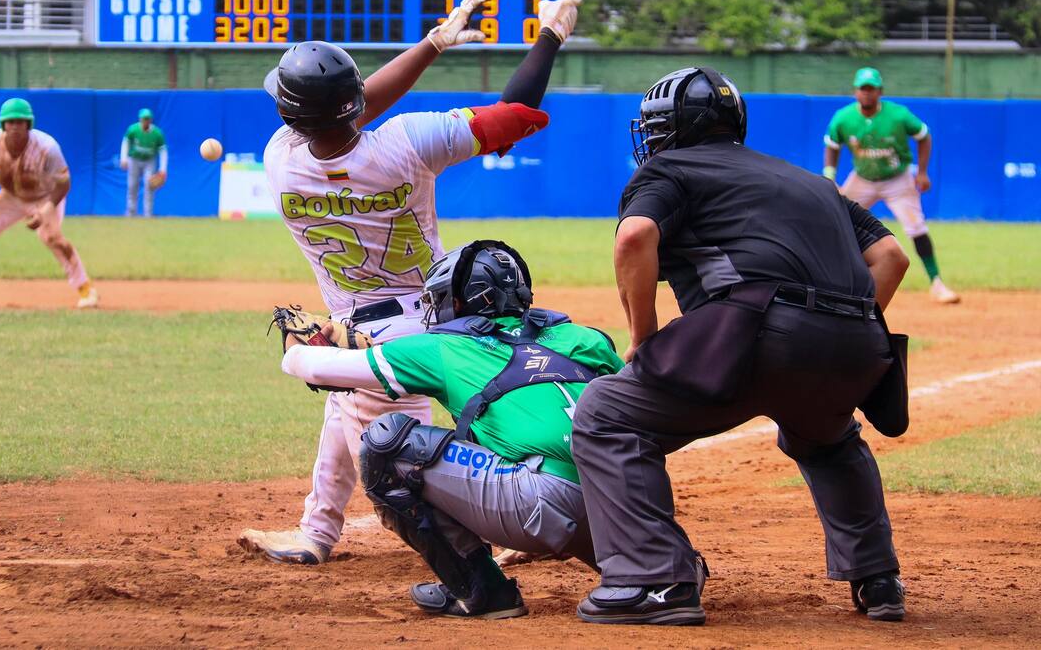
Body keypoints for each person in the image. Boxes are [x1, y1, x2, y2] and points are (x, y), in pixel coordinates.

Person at [238, 0, 583, 566]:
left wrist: (431, 44)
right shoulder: (408, 143)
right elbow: (516, 116)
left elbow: (343, 112)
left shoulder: (281, 159)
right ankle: (317, 533)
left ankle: (498, 537)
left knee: (401, 468)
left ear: (290, 115)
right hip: (436, 318)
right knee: (360, 425)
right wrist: (549, 34)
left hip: (359, 329)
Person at [572, 67, 911, 626]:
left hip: (754, 333)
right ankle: (878, 579)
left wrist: (643, 338)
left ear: (672, 128)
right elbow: (891, 258)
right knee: (827, 437)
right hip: (859, 343)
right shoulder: (811, 181)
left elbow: (634, 236)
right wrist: (833, 330)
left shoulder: (669, 169)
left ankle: (654, 581)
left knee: (606, 414)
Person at [278, 240, 625, 619]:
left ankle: (482, 591)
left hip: (542, 506)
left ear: (458, 302)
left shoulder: (442, 348)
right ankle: (648, 572)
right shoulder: (584, 337)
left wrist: (294, 349)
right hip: (624, 508)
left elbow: (316, 367)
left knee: (388, 445)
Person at [0, 98, 99, 309]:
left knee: (52, 238)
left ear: (28, 124)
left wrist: (46, 210)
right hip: (11, 197)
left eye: (20, 122)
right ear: (3, 125)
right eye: (10, 122)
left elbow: (64, 183)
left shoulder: (47, 147)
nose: (14, 127)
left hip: (45, 197)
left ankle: (86, 288)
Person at [825, 67, 958, 304]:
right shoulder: (843, 118)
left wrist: (922, 172)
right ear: (855, 91)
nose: (867, 93)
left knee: (916, 227)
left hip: (898, 179)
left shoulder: (898, 115)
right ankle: (829, 280)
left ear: (880, 91)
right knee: (836, 219)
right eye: (863, 88)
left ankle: (937, 283)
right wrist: (829, 175)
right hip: (863, 179)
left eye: (871, 89)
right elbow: (832, 145)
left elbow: (924, 136)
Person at [120, 107, 168, 217]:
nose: (145, 121)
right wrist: (124, 158)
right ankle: (131, 213)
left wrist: (163, 169)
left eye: (147, 119)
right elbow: (125, 143)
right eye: (144, 119)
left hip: (149, 161)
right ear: (140, 119)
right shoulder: (133, 129)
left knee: (149, 185)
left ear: (151, 120)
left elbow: (163, 151)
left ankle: (148, 214)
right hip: (134, 159)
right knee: (132, 185)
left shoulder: (157, 133)